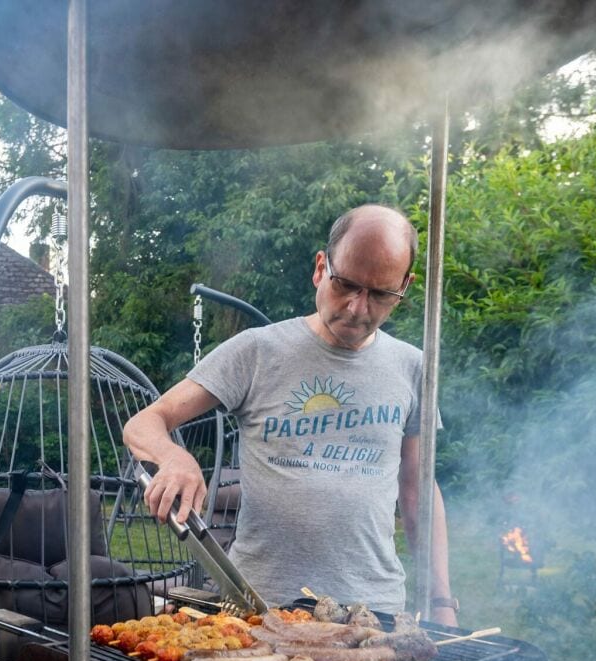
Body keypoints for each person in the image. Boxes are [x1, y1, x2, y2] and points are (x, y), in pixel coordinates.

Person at [123, 204, 458, 627]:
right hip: (258, 609)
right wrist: (173, 458)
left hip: (374, 615)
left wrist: (442, 600)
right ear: (321, 268)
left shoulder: (413, 368)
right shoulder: (258, 351)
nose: (358, 308)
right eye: (346, 285)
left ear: (405, 286)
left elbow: (417, 488)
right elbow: (145, 421)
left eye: (380, 294)